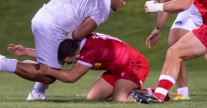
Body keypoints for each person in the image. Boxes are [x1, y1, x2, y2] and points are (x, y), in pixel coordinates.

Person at [0, 0, 138, 100]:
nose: (123, 3)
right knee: (49, 76)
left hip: (44, 14)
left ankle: (37, 94)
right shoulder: (103, 6)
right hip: (53, 26)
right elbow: (78, 34)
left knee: (55, 62)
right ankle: (3, 63)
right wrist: (76, 46)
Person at [7, 32, 149, 102]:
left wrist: (49, 71)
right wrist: (26, 51)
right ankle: (128, 87)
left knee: (119, 100)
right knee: (92, 97)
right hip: (116, 68)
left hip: (134, 65)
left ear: (77, 54)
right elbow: (56, 55)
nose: (70, 63)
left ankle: (155, 93)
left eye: (71, 61)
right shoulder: (73, 44)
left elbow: (72, 77)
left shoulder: (89, 51)